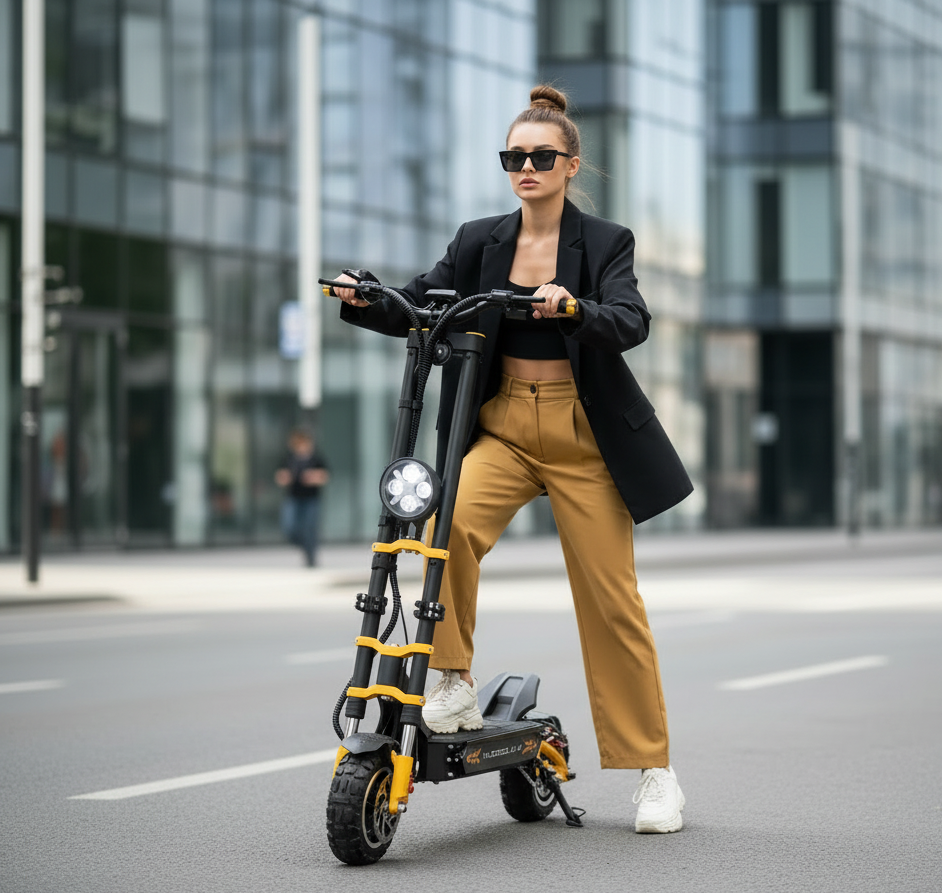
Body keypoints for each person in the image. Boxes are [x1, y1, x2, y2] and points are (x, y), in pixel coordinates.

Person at [333, 85, 693, 834]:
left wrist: (574, 309)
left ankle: (654, 771)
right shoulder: (480, 241)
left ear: (570, 164)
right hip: (501, 427)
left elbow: (631, 320)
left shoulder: (604, 243)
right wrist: (365, 297)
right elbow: (421, 300)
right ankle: (455, 679)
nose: (526, 167)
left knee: (611, 602)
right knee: (446, 524)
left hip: (582, 436)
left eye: (540, 157)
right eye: (514, 157)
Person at [275, 427, 329, 567]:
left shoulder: (316, 459)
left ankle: (310, 557)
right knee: (290, 526)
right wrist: (285, 478)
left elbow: (325, 476)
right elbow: (280, 476)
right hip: (293, 497)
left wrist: (313, 478)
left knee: (310, 528)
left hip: (311, 498)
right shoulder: (289, 459)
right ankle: (303, 546)